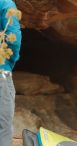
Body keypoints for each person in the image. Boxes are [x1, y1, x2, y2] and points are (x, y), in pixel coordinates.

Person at [0, 0, 22, 146]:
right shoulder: (5, 3)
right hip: (1, 71)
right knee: (3, 128)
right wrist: (9, 63)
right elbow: (14, 37)